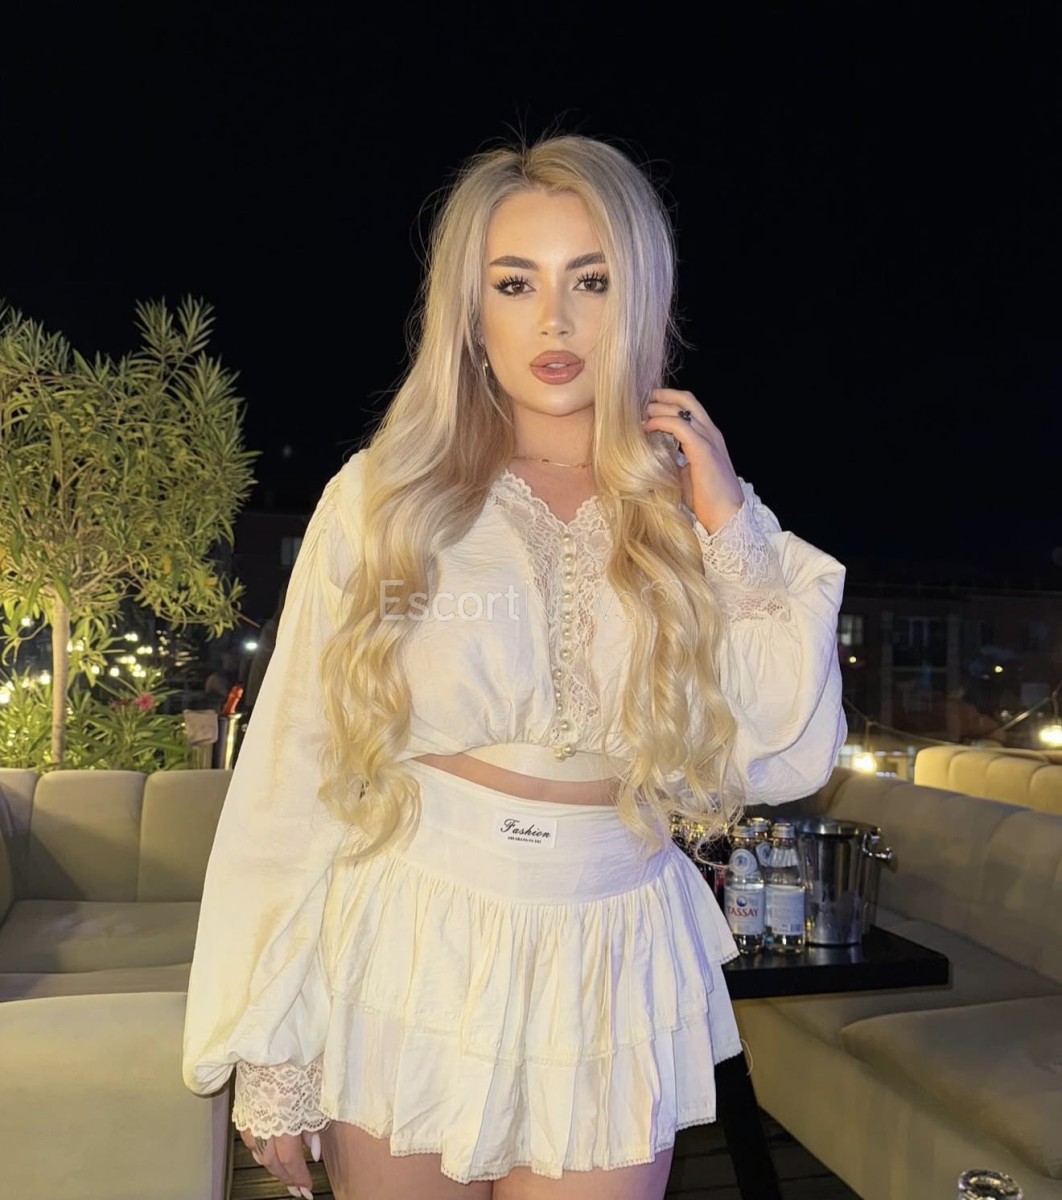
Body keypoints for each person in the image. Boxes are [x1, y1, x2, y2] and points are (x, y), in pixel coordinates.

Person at [182, 134, 847, 1200]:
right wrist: (270, 1036)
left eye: (592, 280)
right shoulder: (386, 496)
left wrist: (730, 522)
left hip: (612, 953)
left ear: (639, 296)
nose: (556, 321)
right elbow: (296, 769)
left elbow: (790, 748)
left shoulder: (693, 509)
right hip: (407, 938)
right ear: (469, 308)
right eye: (515, 283)